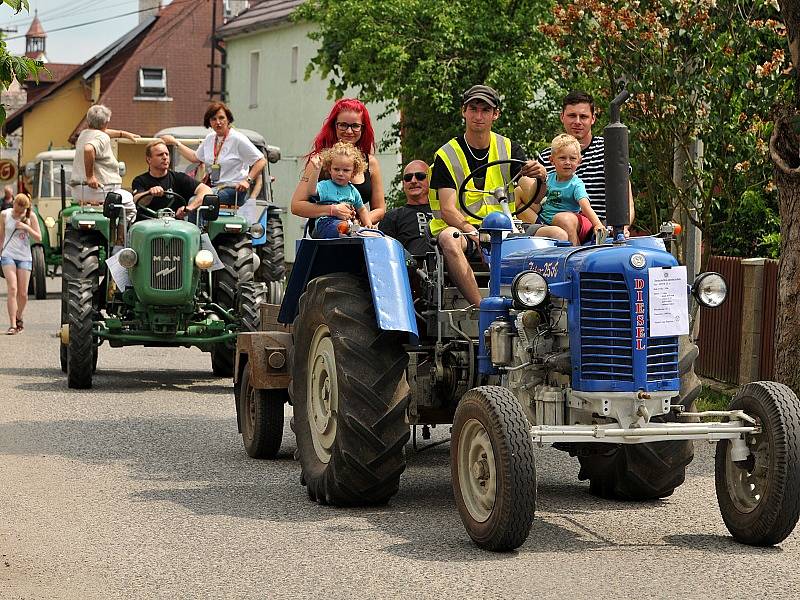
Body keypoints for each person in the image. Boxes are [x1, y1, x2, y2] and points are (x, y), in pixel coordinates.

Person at [429, 84, 567, 307]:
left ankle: (549, 308)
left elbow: (534, 195)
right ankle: (484, 308)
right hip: (466, 230)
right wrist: (473, 233)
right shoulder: (446, 154)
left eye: (485, 110)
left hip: (506, 229)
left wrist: (541, 177)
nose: (478, 116)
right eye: (473, 109)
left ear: (496, 114)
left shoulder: (509, 148)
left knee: (559, 234)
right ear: (464, 111)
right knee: (449, 239)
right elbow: (447, 209)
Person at [538, 90, 635, 234]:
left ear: (593, 119)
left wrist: (622, 229)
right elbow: (535, 200)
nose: (577, 122)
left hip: (598, 228)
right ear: (562, 117)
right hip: (552, 228)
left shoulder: (608, 150)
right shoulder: (547, 155)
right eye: (572, 116)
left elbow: (626, 199)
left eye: (583, 116)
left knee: (567, 220)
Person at [290, 98, 386, 225]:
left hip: (357, 235)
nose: (349, 131)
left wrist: (358, 222)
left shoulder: (371, 162)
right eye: (343, 125)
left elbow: (380, 209)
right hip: (326, 234)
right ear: (334, 126)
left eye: (355, 126)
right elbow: (297, 206)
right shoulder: (319, 161)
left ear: (363, 129)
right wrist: (332, 210)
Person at [161, 102, 266, 208]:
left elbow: (261, 160)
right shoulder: (210, 138)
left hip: (234, 189)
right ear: (209, 122)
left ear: (228, 119)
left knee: (196, 200)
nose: (218, 122)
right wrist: (175, 143)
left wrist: (247, 180)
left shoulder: (237, 138)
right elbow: (195, 157)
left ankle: (197, 225)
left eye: (221, 118)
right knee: (183, 196)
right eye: (213, 119)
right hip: (214, 187)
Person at [70, 104, 139, 224]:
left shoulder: (83, 134)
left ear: (88, 121)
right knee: (130, 207)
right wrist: (90, 177)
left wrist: (123, 133)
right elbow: (89, 149)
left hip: (80, 190)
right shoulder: (101, 138)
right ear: (106, 123)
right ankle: (120, 237)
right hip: (102, 191)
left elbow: (101, 132)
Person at [531, 134, 605, 246]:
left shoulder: (576, 184)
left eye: (572, 158)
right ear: (551, 160)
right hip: (546, 222)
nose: (567, 162)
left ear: (579, 161)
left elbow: (585, 206)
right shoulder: (548, 178)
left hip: (570, 223)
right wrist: (541, 180)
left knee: (562, 218)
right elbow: (536, 200)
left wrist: (597, 224)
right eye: (562, 158)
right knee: (518, 193)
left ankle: (574, 251)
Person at [131, 140, 213, 221]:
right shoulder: (140, 180)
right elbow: (137, 200)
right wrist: (149, 193)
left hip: (175, 227)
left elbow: (206, 190)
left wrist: (189, 208)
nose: (165, 157)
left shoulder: (179, 178)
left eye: (166, 154)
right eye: (160, 155)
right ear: (149, 160)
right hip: (147, 225)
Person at [308, 142, 373, 238]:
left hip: (346, 224)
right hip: (325, 223)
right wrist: (316, 172)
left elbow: (362, 209)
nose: (340, 173)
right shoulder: (326, 186)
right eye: (336, 169)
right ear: (330, 169)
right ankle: (350, 232)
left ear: (353, 172)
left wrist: (368, 224)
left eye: (346, 170)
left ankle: (355, 232)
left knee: (355, 226)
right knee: (343, 226)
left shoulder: (352, 191)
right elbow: (311, 191)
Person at [0, 194, 42, 335]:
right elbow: (1, 236)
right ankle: (12, 324)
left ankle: (19, 317)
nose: (17, 212)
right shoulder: (5, 214)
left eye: (21, 210)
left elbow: (38, 237)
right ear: (14, 203)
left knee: (23, 294)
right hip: (8, 255)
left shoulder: (31, 216)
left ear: (26, 208)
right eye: (16, 208)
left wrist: (26, 227)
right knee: (12, 288)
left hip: (24, 257)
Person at [378, 160, 434, 255]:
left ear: (430, 180)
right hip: (410, 268)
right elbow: (384, 253)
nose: (413, 181)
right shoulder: (393, 216)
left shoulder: (443, 212)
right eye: (408, 178)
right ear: (403, 184)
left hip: (444, 264)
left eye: (420, 176)